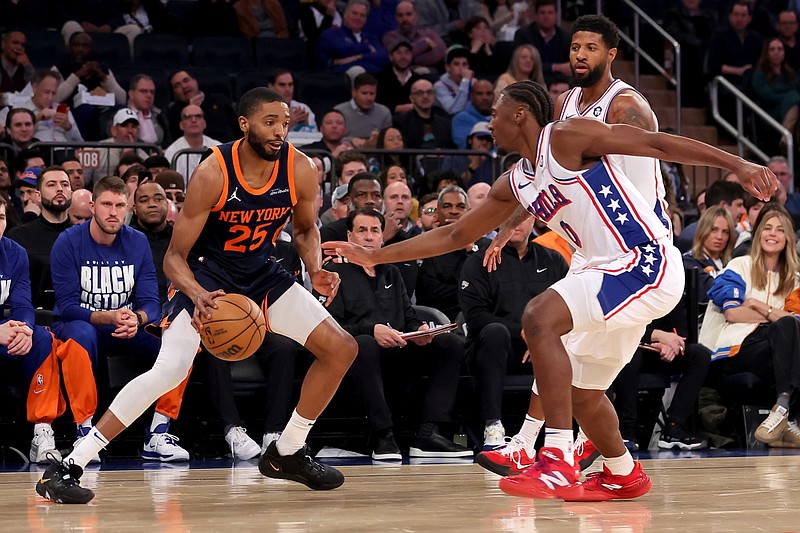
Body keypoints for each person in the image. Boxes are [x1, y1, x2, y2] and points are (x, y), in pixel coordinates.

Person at [323, 80, 775, 501]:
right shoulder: (517, 180)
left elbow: (656, 143)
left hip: (644, 261)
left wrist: (737, 163)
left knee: (539, 317)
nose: (489, 123)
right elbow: (453, 236)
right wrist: (374, 256)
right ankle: (623, 473)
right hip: (603, 273)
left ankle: (554, 457)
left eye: (495, 115)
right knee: (584, 394)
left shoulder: (566, 137)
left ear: (519, 115)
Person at [36, 88, 358, 504]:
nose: (280, 131)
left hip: (261, 272)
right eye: (269, 122)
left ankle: (288, 451)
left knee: (341, 348)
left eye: (284, 123)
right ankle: (68, 466)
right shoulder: (213, 172)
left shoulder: (300, 169)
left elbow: (305, 230)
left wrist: (315, 269)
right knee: (169, 371)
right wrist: (198, 293)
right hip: (206, 274)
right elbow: (173, 258)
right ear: (244, 125)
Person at [47, 176, 193, 466]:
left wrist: (137, 319)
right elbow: (67, 306)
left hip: (127, 325)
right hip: (84, 323)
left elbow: (152, 302)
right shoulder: (67, 242)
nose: (113, 212)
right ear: (92, 206)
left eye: (119, 205)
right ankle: (85, 431)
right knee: (78, 337)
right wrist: (110, 317)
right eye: (106, 204)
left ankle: (158, 432)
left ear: (128, 208)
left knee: (186, 342)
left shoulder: (137, 241)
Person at [319, 207, 470, 460]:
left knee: (450, 344)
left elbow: (408, 317)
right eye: (362, 230)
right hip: (357, 358)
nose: (369, 237)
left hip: (398, 350)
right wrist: (371, 330)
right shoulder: (333, 273)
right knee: (364, 344)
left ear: (382, 238)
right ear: (349, 236)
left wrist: (420, 331)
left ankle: (428, 433)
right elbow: (327, 326)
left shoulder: (391, 272)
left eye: (375, 231)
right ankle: (383, 435)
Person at [458, 215, 568, 450]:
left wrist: (542, 339)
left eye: (523, 217)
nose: (516, 224)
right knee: (495, 332)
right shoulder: (479, 261)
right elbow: (476, 316)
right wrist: (527, 333)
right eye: (509, 217)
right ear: (498, 221)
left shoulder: (553, 259)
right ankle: (493, 425)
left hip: (543, 348)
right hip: (494, 351)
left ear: (535, 220)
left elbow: (570, 307)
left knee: (583, 342)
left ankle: (574, 436)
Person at [0, 196, 95, 464]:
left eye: (1, 218)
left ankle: (43, 430)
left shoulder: (15, 252)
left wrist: (26, 329)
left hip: (7, 331)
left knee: (42, 338)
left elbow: (23, 304)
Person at [700, 210, 800, 448]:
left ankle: (782, 408)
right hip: (736, 351)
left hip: (772, 353)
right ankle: (788, 415)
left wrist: (757, 305)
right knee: (785, 327)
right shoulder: (739, 266)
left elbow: (796, 323)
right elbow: (733, 313)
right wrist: (777, 316)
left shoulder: (794, 280)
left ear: (788, 238)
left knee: (788, 330)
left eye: (779, 229)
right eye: (767, 228)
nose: (772, 234)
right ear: (758, 234)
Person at [6, 166, 73, 311]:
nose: (60, 189)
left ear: (71, 193)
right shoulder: (18, 237)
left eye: (65, 184)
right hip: (30, 318)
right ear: (38, 195)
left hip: (75, 318)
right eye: (51, 184)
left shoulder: (84, 236)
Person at [319, 0, 389, 76]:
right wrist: (367, 48)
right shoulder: (332, 33)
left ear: (366, 19)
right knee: (357, 70)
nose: (358, 18)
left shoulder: (370, 38)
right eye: (354, 13)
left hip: (371, 78)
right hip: (338, 78)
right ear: (345, 14)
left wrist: (358, 57)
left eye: (362, 15)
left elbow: (384, 57)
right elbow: (342, 49)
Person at [677, 180, 746, 252]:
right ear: (723, 205)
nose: (743, 211)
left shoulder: (737, 234)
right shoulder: (691, 236)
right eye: (739, 205)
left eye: (725, 232)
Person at [750, 37, 800, 135]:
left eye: (779, 49)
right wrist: (788, 96)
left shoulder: (790, 74)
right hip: (769, 112)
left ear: (784, 53)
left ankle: (786, 139)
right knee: (793, 97)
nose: (776, 52)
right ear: (766, 53)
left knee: (795, 103)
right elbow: (767, 96)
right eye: (772, 49)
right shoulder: (759, 74)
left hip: (791, 109)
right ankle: (787, 138)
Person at [513, 0, 570, 84]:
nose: (546, 16)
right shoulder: (523, 35)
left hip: (559, 83)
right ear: (536, 15)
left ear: (556, 15)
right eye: (542, 13)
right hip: (531, 81)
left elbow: (568, 67)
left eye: (550, 13)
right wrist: (555, 67)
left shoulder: (565, 37)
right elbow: (523, 65)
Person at [381, 1, 447, 72]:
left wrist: (411, 59)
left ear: (416, 16)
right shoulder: (390, 37)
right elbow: (398, 59)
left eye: (408, 14)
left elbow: (441, 51)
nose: (405, 19)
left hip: (433, 76)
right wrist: (424, 43)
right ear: (396, 18)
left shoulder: (429, 33)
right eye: (400, 15)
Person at [163, 105, 221, 181]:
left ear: (204, 123)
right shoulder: (172, 152)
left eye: (198, 116)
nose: (193, 120)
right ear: (181, 125)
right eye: (188, 117)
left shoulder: (219, 148)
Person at [333, 73, 392, 146]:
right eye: (364, 93)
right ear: (354, 93)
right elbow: (331, 138)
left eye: (372, 94)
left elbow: (389, 139)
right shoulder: (339, 112)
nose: (369, 98)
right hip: (346, 153)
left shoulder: (384, 112)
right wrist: (351, 140)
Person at [393, 79, 454, 149]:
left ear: (434, 96)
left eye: (429, 92)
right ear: (411, 98)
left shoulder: (445, 123)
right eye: (420, 93)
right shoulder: (400, 121)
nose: (425, 96)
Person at [267, 68, 320, 146]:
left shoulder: (303, 108)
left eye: (290, 84)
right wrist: (287, 125)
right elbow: (265, 141)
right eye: (282, 85)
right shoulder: (264, 109)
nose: (288, 89)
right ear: (271, 86)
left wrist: (307, 126)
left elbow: (316, 140)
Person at [375, 39, 423, 115]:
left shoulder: (418, 80)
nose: (403, 57)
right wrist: (398, 108)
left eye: (407, 53)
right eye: (398, 53)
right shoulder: (380, 78)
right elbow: (377, 105)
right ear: (391, 57)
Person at [127, 74, 171, 149]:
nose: (149, 95)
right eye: (143, 91)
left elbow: (168, 141)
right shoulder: (122, 116)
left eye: (152, 92)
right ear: (131, 94)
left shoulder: (161, 116)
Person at [451, 79, 494, 150]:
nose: (485, 97)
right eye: (479, 94)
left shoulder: (502, 118)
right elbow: (466, 147)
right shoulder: (461, 119)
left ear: (494, 96)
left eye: (488, 93)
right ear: (471, 96)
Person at [434, 46, 474, 116]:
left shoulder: (474, 83)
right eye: (456, 64)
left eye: (465, 64)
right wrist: (465, 82)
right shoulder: (440, 86)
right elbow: (454, 111)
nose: (461, 69)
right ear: (447, 67)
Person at [0, 30, 33, 94]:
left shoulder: (25, 66)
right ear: (3, 44)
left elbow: (36, 91)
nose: (19, 47)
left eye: (22, 45)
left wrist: (28, 66)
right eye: (15, 43)